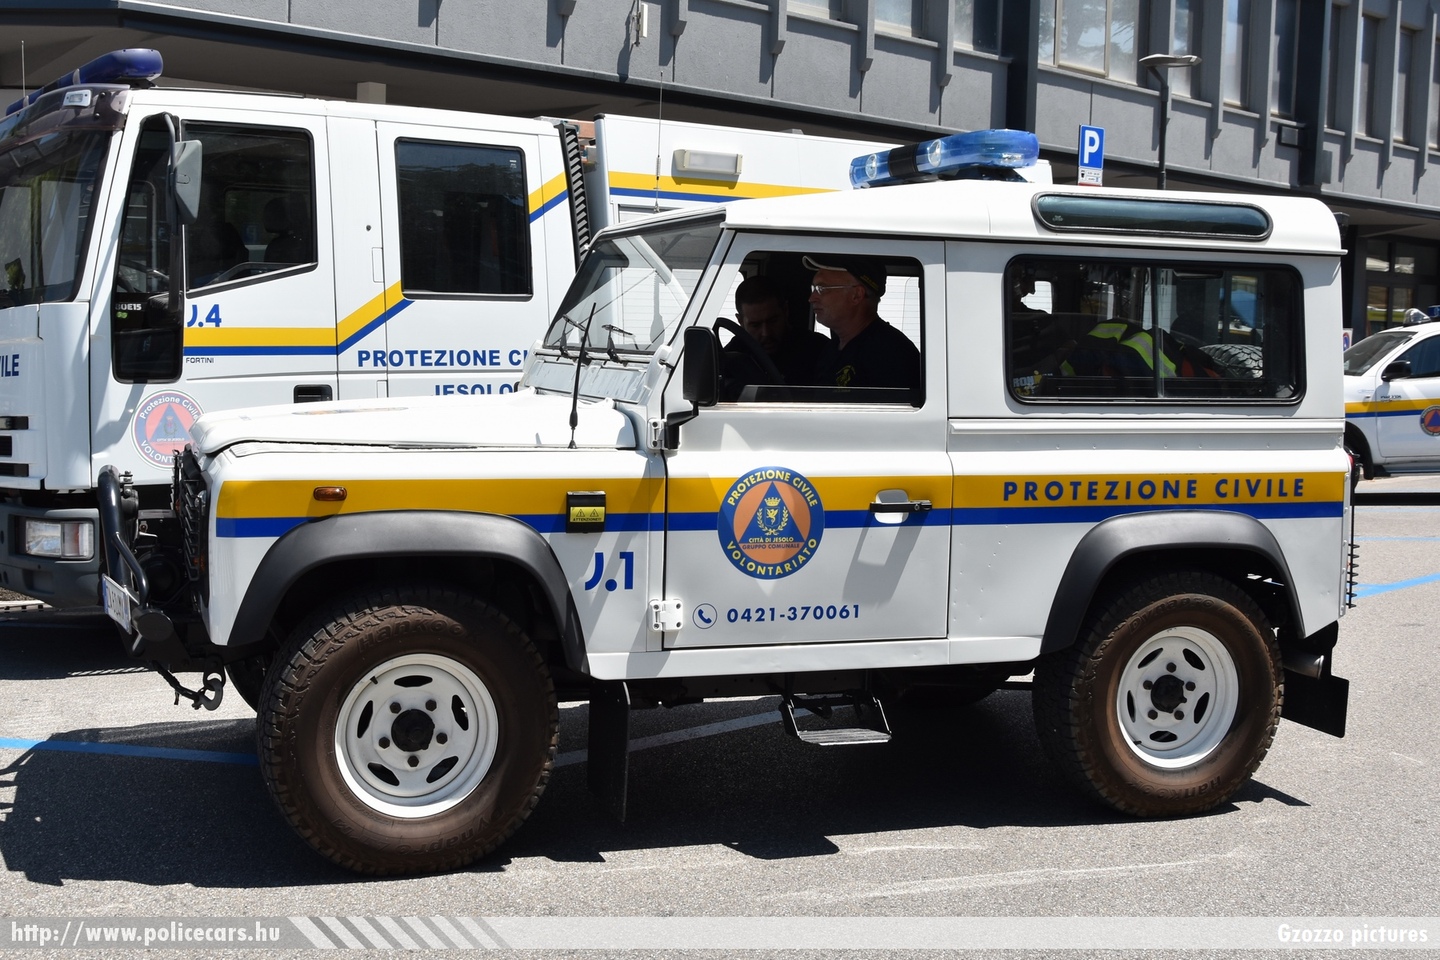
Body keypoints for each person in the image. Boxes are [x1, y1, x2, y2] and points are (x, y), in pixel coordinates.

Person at [804, 255, 921, 398]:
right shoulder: (832, 348)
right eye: (814, 288)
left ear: (856, 295)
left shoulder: (891, 355)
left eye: (822, 288)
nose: (812, 298)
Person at [729, 275, 827, 385]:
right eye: (755, 325)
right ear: (740, 321)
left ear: (785, 311)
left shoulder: (816, 349)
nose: (766, 333)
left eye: (772, 321)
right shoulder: (733, 353)